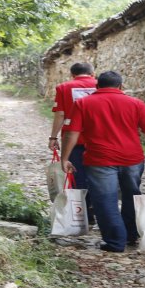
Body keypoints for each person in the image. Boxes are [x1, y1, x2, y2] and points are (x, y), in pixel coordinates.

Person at [61, 71, 145, 253]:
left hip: (100, 160)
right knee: (132, 195)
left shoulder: (82, 103)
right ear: (121, 86)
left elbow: (72, 133)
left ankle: (115, 241)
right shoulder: (136, 103)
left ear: (97, 86)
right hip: (133, 159)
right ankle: (130, 234)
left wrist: (65, 158)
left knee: (105, 199)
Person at [49, 62, 97, 224]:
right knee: (100, 175)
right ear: (92, 73)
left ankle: (83, 211)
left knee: (79, 175)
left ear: (72, 74)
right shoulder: (102, 84)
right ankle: (97, 208)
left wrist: (53, 137)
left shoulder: (63, 87)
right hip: (99, 139)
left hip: (74, 140)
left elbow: (60, 115)